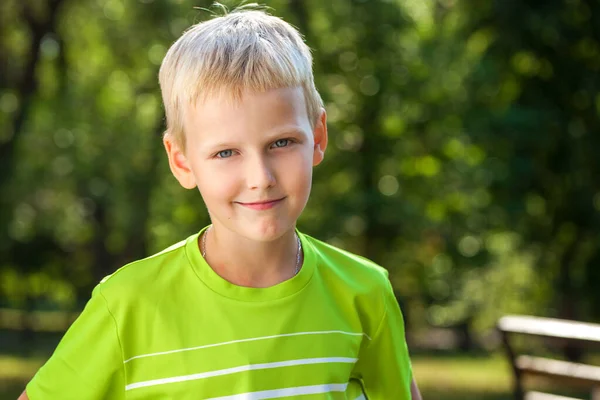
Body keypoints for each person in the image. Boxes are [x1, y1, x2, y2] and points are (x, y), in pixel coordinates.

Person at [19, 5, 422, 400]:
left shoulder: (366, 292)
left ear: (318, 137)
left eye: (281, 143)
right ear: (182, 161)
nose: (260, 178)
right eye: (226, 153)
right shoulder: (127, 305)